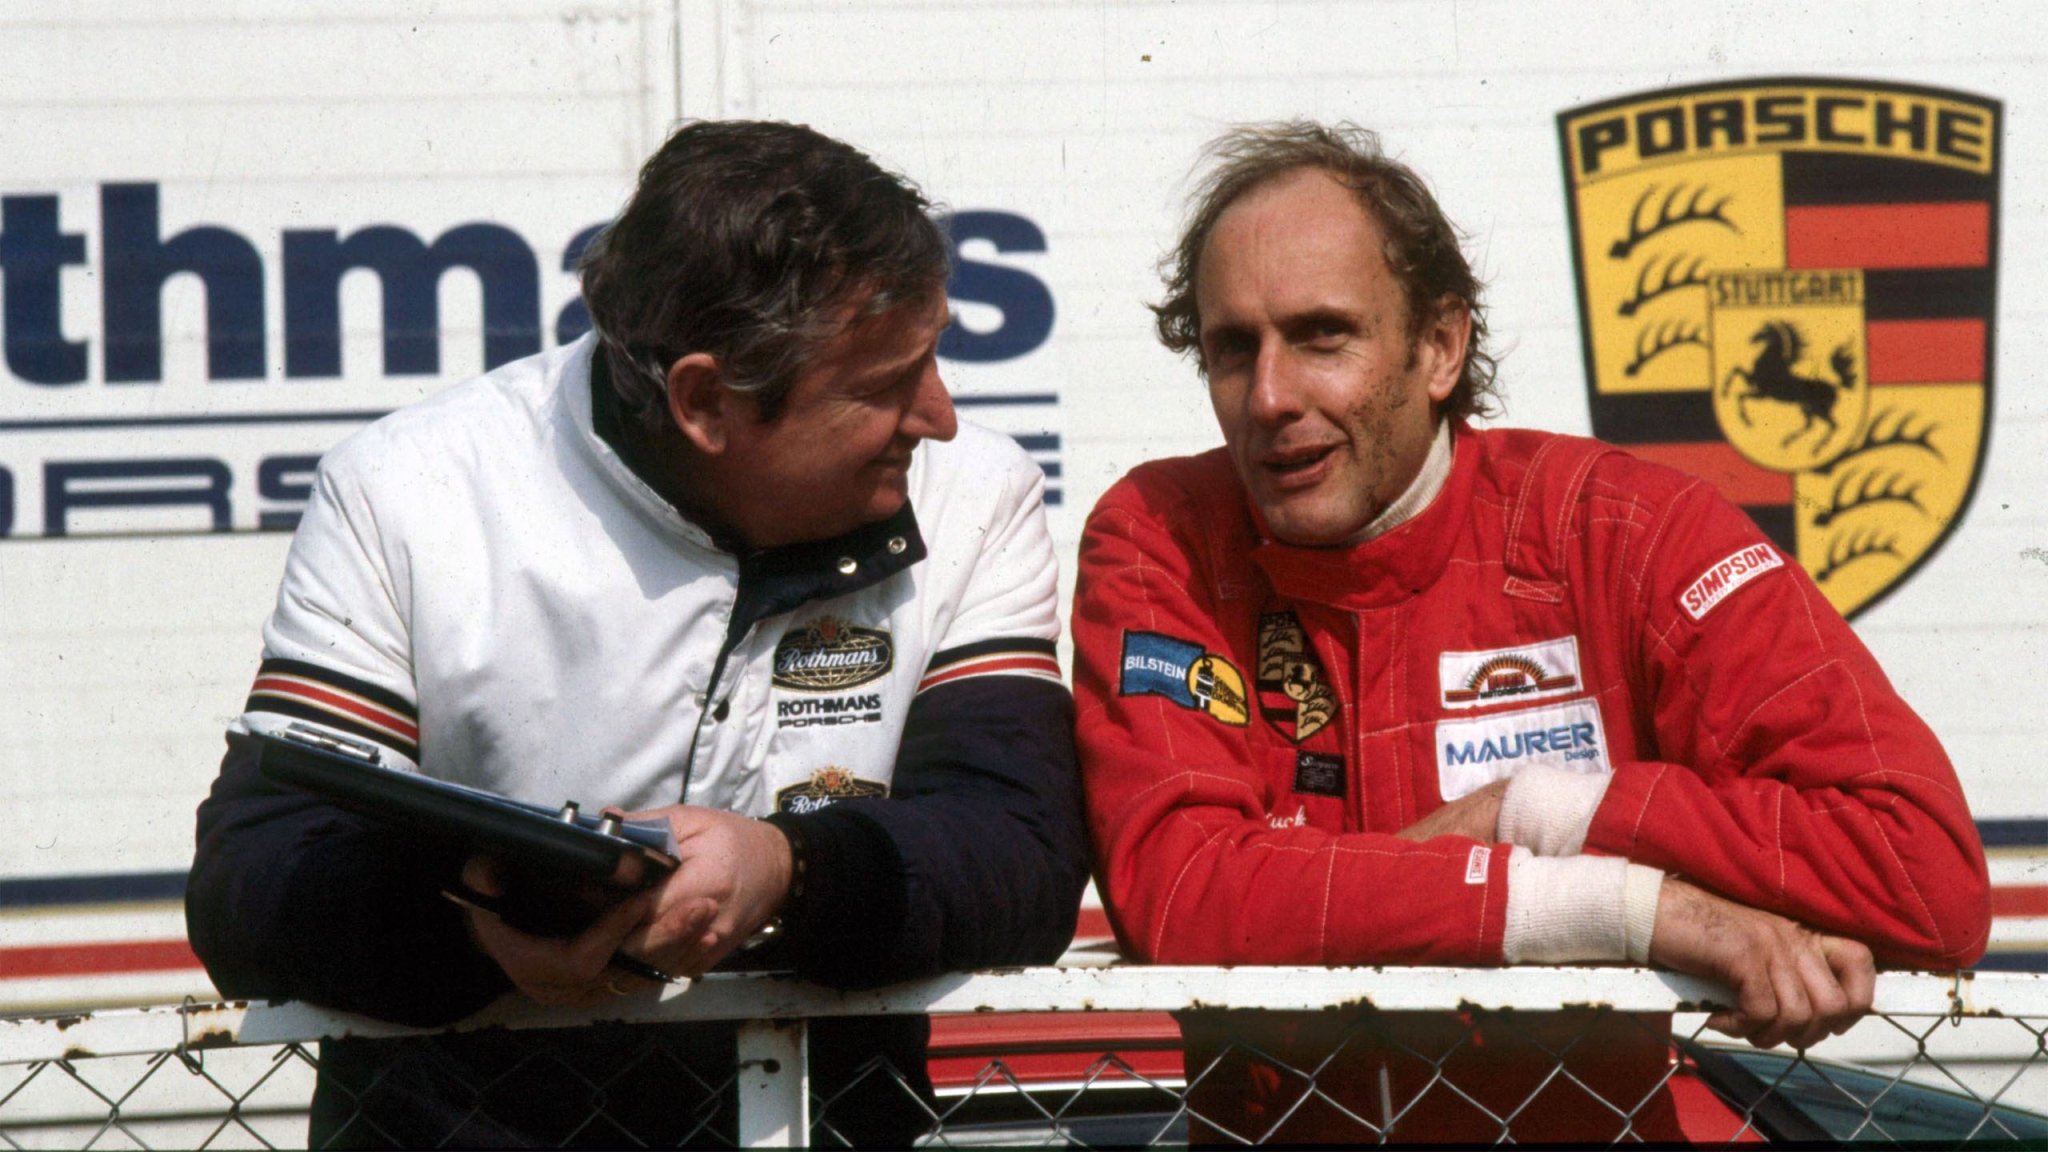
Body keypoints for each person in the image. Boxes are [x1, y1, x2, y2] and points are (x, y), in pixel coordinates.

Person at [1071, 121, 1990, 1143]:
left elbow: (1921, 877)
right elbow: (1188, 894)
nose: (1271, 396)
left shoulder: (1627, 533)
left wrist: (1541, 810)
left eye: (1322, 335)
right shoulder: (1162, 537)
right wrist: (1630, 907)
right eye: (1231, 349)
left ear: (1437, 346)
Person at [187, 119, 1089, 1148]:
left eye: (932, 359)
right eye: (886, 385)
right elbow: (251, 877)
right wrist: (475, 922)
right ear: (705, 400)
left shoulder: (977, 492)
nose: (939, 417)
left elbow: (1018, 848)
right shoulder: (404, 491)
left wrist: (785, 871)